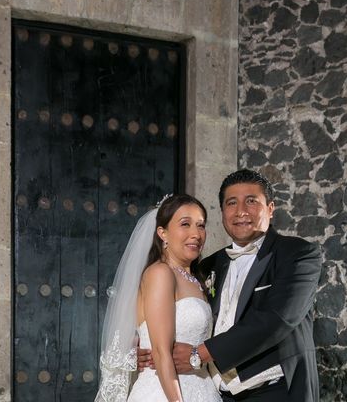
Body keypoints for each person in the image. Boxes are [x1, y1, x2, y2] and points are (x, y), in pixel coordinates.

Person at [139, 169, 322, 402]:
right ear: (223, 212)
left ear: (271, 208)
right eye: (232, 203)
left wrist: (199, 354)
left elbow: (276, 319)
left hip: (274, 392)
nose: (241, 211)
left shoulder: (297, 254)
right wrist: (140, 350)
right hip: (216, 394)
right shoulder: (207, 266)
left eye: (252, 201)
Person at [95, 194, 221, 402]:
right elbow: (162, 352)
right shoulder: (160, 273)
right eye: (185, 224)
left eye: (200, 225)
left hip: (203, 389)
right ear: (163, 233)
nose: (196, 234)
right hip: (165, 392)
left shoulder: (196, 279)